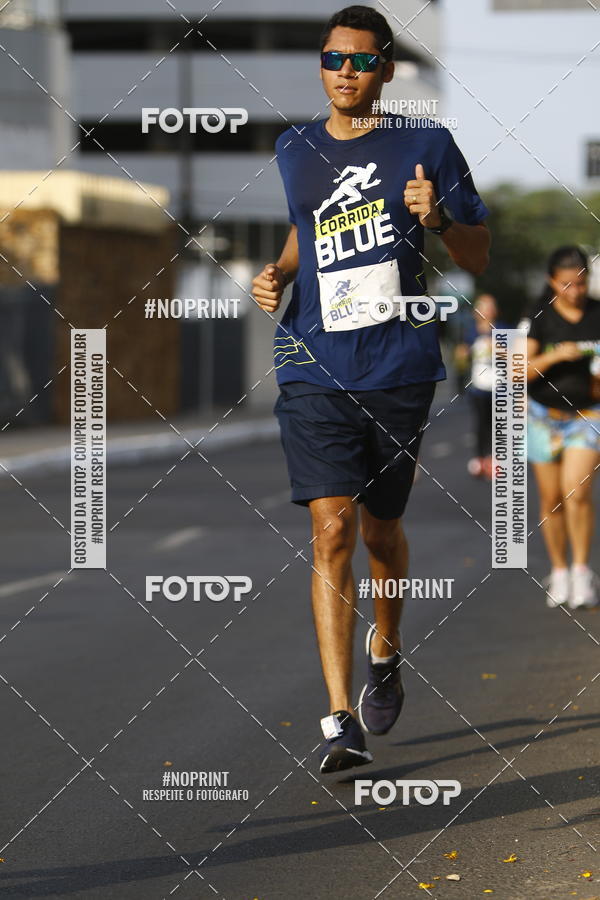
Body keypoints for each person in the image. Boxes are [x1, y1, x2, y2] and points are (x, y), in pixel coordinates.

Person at [251, 4, 490, 773]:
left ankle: (386, 652)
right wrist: (281, 272)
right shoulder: (293, 147)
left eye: (360, 61)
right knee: (331, 530)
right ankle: (338, 717)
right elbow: (306, 223)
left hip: (398, 368)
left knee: (383, 533)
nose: (344, 73)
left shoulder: (426, 144)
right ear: (319, 66)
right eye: (332, 59)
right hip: (312, 363)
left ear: (386, 69)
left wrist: (441, 218)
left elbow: (480, 254)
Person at [525, 245, 600, 610]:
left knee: (576, 491)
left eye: (581, 284)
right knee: (551, 500)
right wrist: (557, 354)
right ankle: (559, 570)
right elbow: (519, 371)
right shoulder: (539, 318)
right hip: (543, 416)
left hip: (589, 416)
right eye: (566, 284)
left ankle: (582, 571)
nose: (575, 291)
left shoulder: (597, 314)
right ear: (552, 282)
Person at [456, 294, 507, 480]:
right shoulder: (470, 332)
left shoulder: (503, 328)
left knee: (496, 425)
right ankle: (479, 458)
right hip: (478, 386)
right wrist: (462, 354)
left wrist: (498, 349)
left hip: (500, 386)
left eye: (490, 306)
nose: (486, 311)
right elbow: (462, 357)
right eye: (482, 307)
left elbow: (517, 354)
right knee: (479, 424)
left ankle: (495, 460)